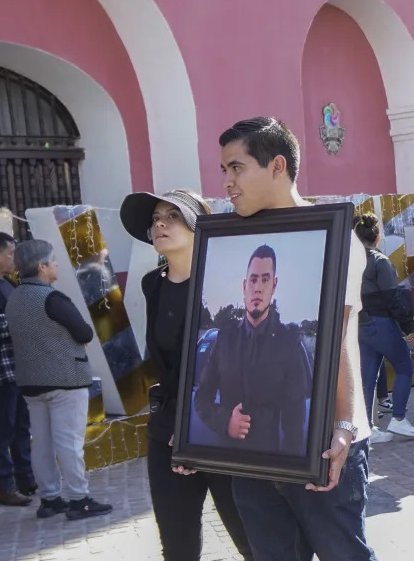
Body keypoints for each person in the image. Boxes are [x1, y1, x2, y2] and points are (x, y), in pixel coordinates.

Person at [219, 116, 376, 560]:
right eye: (224, 172)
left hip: (324, 444)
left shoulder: (332, 235)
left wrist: (343, 427)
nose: (228, 182)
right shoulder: (232, 237)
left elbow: (338, 338)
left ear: (277, 166)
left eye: (237, 168)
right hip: (252, 456)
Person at [119, 189, 253, 560]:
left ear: (199, 225)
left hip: (224, 431)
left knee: (252, 542)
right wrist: (179, 423)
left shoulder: (226, 285)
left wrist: (196, 424)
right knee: (177, 548)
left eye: (172, 215)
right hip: (168, 433)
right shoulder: (153, 284)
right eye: (155, 218)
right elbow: (168, 361)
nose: (159, 223)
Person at [4, 240, 112, 520]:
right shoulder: (52, 298)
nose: (57, 265)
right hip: (65, 379)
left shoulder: (14, 297)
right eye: (53, 261)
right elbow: (85, 332)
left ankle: (50, 498)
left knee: (41, 443)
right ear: (41, 267)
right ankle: (79, 499)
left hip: (30, 382)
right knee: (68, 443)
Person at [194, 244, 313, 456]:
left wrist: (287, 476)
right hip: (225, 461)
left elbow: (294, 423)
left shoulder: (289, 344)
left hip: (266, 466)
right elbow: (202, 397)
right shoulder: (224, 340)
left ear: (274, 285)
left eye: (265, 279)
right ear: (244, 285)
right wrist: (225, 421)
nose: (258, 287)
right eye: (253, 279)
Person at [352, 212, 414, 443]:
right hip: (381, 323)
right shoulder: (380, 262)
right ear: (378, 237)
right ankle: (398, 419)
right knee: (404, 366)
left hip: (360, 325)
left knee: (367, 378)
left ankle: (367, 428)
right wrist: (407, 328)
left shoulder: (350, 261)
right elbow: (394, 299)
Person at [0, 232, 37, 507]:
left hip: (19, 368)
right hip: (3, 371)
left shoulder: (9, 283)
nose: (15, 258)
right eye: (10, 253)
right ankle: (5, 486)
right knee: (4, 429)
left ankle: (26, 479)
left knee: (22, 425)